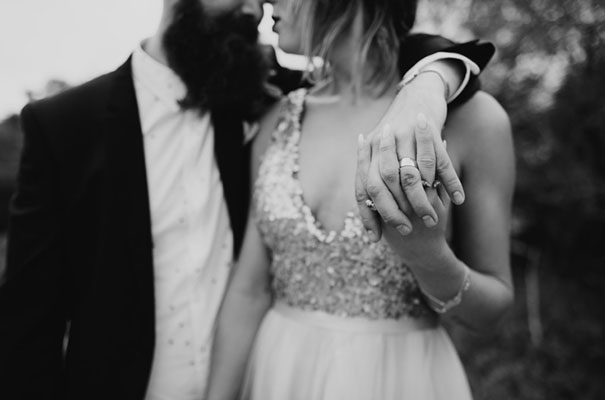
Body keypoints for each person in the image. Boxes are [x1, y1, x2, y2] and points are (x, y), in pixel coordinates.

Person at [0, 0, 493, 399]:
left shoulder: (260, 91)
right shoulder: (63, 126)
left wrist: (429, 83)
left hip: (264, 380)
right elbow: (29, 325)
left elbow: (386, 44)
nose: (256, 8)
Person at [205, 0, 514, 399]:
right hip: (280, 373)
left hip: (400, 380)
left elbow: (493, 310)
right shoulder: (276, 120)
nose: (267, 2)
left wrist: (428, 257)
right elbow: (249, 291)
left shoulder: (474, 120)